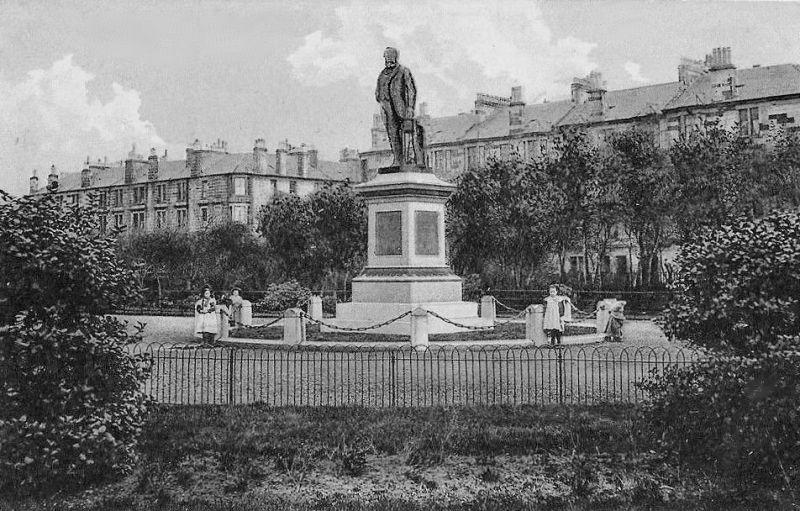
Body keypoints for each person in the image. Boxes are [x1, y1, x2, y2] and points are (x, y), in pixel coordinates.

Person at [375, 47, 425, 169]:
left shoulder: (403, 71)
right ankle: (397, 159)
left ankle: (416, 160)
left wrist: (410, 107)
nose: (387, 59)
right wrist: (380, 97)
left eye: (389, 56)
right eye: (385, 56)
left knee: (409, 134)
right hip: (387, 108)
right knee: (392, 134)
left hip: (400, 107)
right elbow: (378, 89)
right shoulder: (382, 74)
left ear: (394, 57)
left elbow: (411, 89)